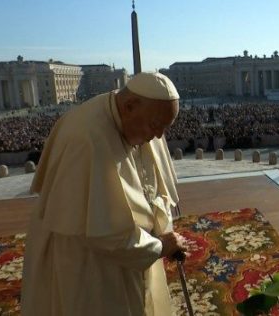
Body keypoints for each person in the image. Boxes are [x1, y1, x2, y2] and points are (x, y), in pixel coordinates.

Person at [21, 72, 188, 316]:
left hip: (129, 247)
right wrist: (159, 246)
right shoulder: (86, 138)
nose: (159, 136)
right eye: (156, 126)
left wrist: (163, 231)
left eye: (165, 127)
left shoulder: (138, 116)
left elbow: (152, 185)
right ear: (130, 106)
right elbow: (105, 234)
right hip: (89, 261)